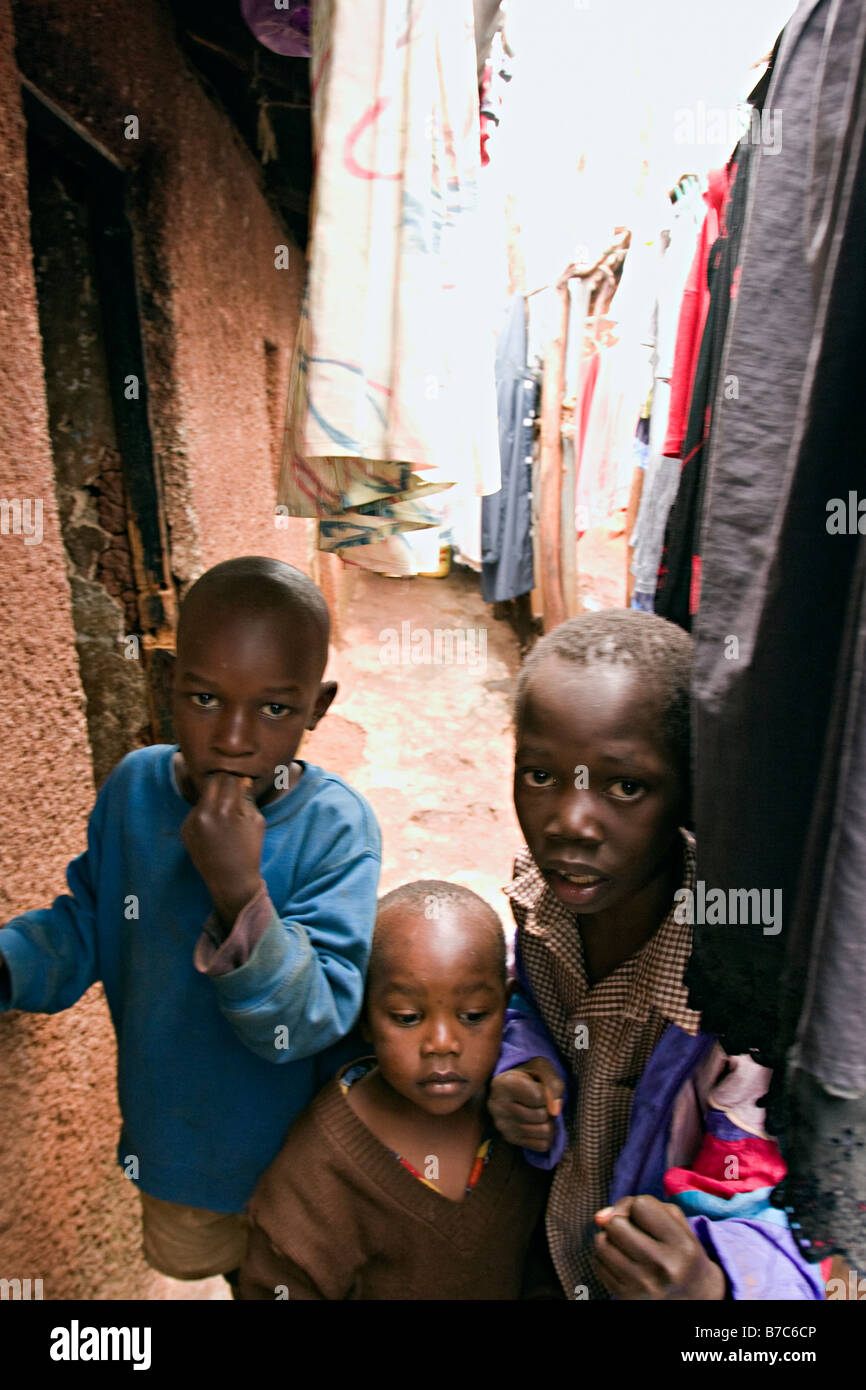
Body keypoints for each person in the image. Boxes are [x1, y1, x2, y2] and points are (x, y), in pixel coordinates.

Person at [0, 556, 381, 1287]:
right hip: (181, 1150)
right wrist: (14, 963)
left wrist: (240, 893)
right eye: (205, 698)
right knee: (219, 1273)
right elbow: (87, 920)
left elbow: (310, 1019)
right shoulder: (136, 790)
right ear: (165, 681)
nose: (234, 737)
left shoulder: (335, 829)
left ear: (318, 706)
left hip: (303, 1159)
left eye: (274, 709)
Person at [488, 610, 828, 1301]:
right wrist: (521, 1063)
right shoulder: (543, 904)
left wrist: (712, 1284)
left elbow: (792, 1215)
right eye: (541, 775)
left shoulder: (737, 985)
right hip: (557, 1250)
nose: (570, 823)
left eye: (625, 787)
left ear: (690, 790)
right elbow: (523, 1000)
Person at [238, 880, 549, 1300]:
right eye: (406, 1017)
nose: (442, 1043)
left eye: (474, 1015)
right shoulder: (318, 1176)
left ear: (506, 1009)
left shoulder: (516, 1124)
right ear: (364, 1016)